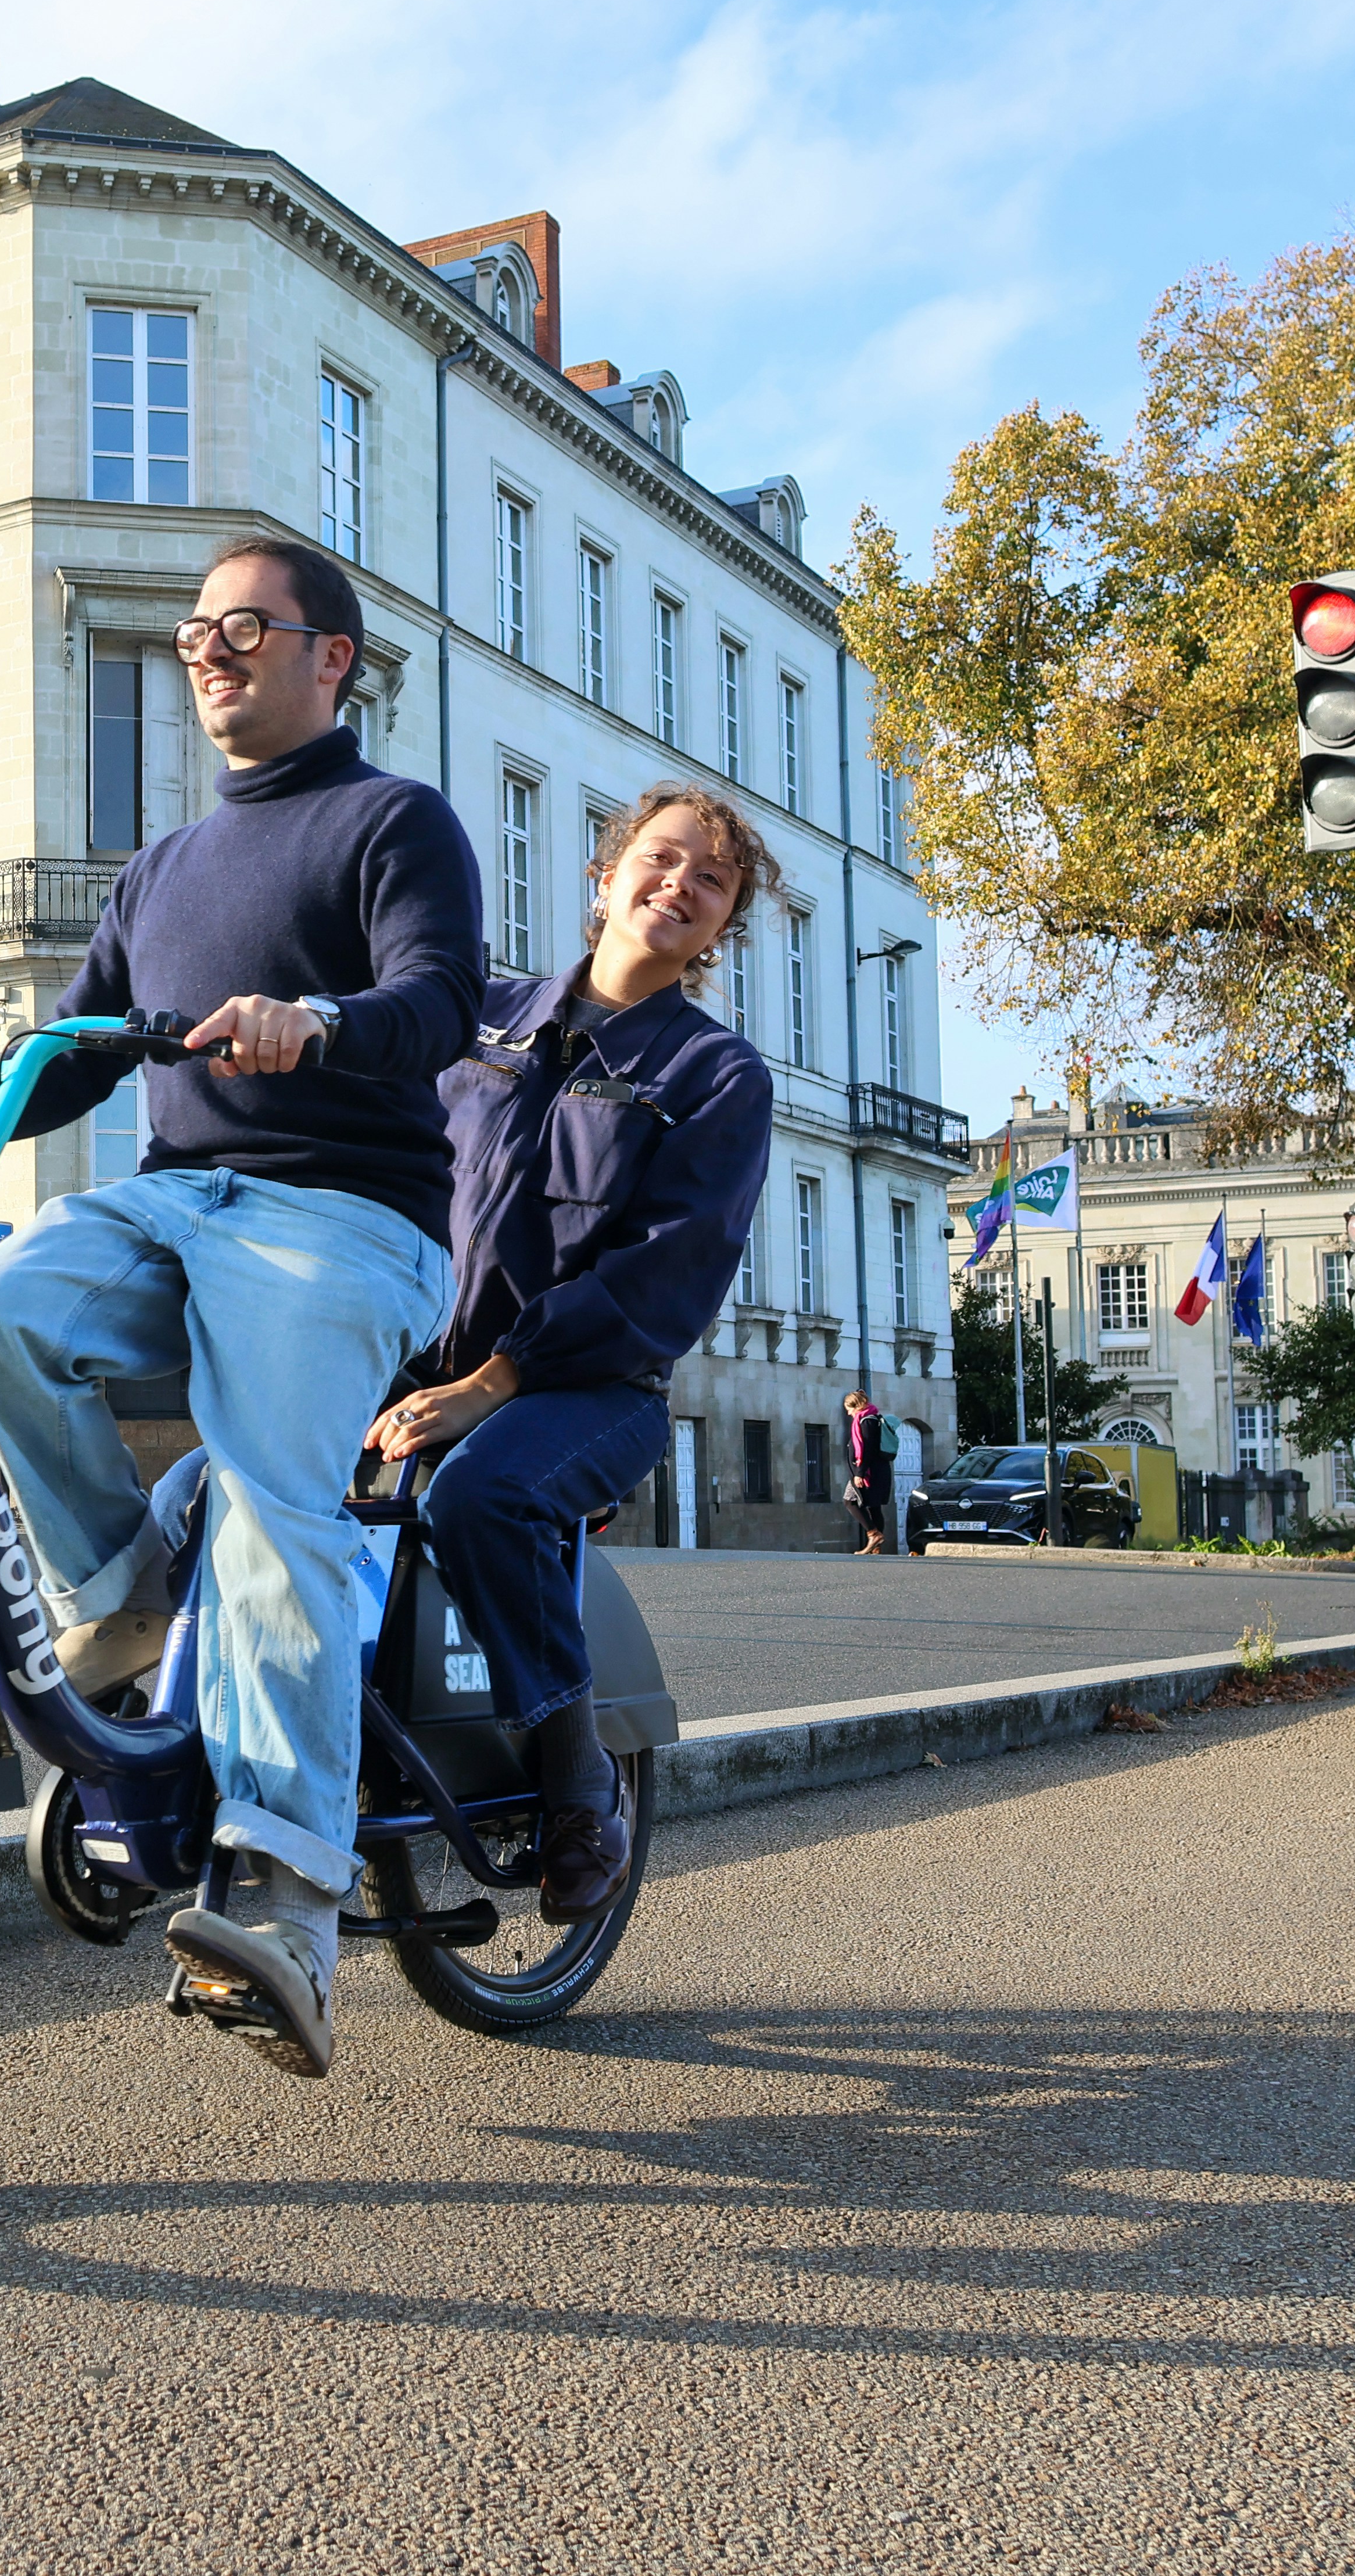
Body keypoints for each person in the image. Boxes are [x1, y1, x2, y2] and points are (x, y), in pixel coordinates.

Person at [0, 534, 480, 2080]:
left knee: (266, 1503)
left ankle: (289, 1890)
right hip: (176, 1204)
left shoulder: (396, 822)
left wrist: (313, 1026)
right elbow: (75, 1060)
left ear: (334, 658)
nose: (210, 649)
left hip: (345, 1217)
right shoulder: (160, 871)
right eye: (199, 631)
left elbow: (438, 999)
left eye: (248, 625)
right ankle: (120, 1601)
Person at [365, 783, 779, 1922]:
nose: (680, 885)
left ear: (724, 924)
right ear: (605, 878)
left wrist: (492, 1385)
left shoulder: (717, 1075)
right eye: (661, 859)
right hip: (419, 1357)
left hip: (590, 1386)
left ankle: (576, 1783)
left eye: (711, 879)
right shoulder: (483, 1015)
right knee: (234, 1470)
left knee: (479, 1500)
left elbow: (665, 1278)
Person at [843, 1386, 895, 1555]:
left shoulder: (867, 1421)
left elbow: (868, 1449)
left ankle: (873, 1534)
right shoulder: (870, 1418)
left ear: (857, 1406)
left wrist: (860, 1473)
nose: (849, 1414)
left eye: (849, 1409)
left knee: (850, 1501)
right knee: (874, 1507)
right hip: (876, 1471)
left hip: (870, 1472)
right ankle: (876, 1547)